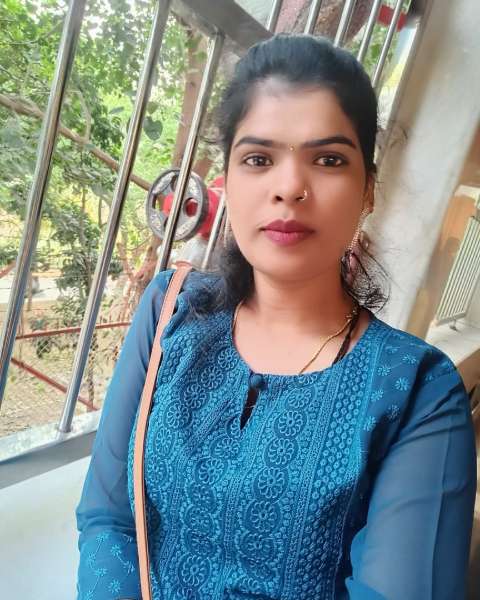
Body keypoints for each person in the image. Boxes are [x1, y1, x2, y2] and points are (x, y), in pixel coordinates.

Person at [76, 34, 477, 600]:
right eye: (258, 159)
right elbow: (109, 519)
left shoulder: (417, 389)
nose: (289, 187)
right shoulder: (171, 311)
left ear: (367, 190)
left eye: (329, 159)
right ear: (228, 181)